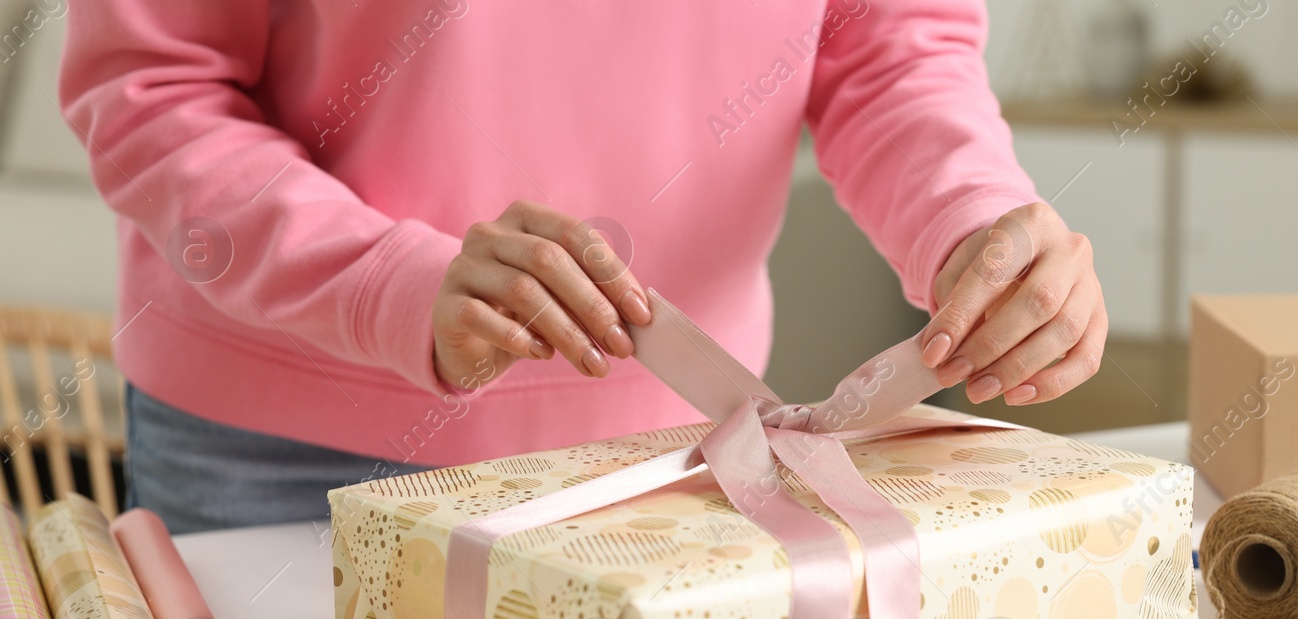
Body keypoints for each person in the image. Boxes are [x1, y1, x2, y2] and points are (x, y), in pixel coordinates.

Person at [60, 0, 1106, 534]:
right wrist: (385, 287)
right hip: (276, 452)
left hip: (668, 448)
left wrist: (971, 220)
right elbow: (155, 82)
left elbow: (885, 48)